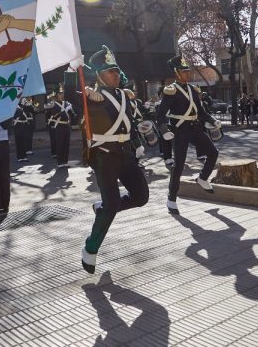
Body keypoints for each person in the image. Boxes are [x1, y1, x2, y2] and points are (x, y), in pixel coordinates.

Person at [64, 47, 149, 274]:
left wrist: (137, 143)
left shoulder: (124, 95)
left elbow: (129, 123)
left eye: (116, 71)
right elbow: (69, 95)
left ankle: (102, 208)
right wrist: (71, 70)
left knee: (141, 197)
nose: (116, 75)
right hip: (104, 156)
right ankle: (90, 249)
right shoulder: (91, 97)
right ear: (100, 75)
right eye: (111, 72)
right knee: (111, 205)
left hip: (126, 154)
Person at [156, 55, 220, 215]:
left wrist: (212, 120)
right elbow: (160, 115)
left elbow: (201, 112)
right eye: (184, 71)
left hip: (195, 128)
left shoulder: (193, 89)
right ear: (177, 73)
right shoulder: (171, 91)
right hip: (180, 130)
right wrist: (164, 130)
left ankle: (202, 178)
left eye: (188, 71)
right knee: (178, 165)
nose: (188, 73)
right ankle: (171, 199)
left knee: (213, 152)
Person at [45, 86, 76, 168]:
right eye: (59, 94)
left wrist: (72, 111)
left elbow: (73, 115)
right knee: (60, 144)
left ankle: (65, 161)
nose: (61, 95)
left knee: (66, 144)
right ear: (56, 95)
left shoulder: (67, 103)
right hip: (59, 126)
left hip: (67, 126)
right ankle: (60, 162)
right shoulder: (54, 104)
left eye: (62, 93)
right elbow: (55, 116)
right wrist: (64, 110)